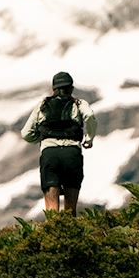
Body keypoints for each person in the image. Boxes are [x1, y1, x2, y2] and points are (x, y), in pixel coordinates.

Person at [20, 71, 97, 214]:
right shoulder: (79, 104)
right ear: (71, 89)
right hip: (72, 153)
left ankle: (53, 232)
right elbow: (90, 115)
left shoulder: (42, 105)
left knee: (51, 209)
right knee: (70, 208)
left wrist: (43, 138)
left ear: (53, 89)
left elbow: (25, 133)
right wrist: (89, 138)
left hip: (50, 154)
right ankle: (70, 232)